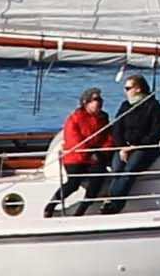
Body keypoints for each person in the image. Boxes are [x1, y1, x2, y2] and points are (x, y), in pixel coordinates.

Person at [90, 72, 160, 214]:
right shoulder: (125, 106)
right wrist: (123, 147)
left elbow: (156, 133)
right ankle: (114, 200)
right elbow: (116, 128)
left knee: (130, 170)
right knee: (117, 168)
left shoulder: (153, 107)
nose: (126, 92)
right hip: (125, 146)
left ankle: (113, 201)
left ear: (138, 89)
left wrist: (135, 147)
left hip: (145, 148)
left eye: (128, 88)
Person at [42, 86, 111, 216]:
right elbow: (75, 141)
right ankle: (51, 204)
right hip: (76, 158)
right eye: (96, 99)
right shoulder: (75, 118)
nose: (100, 102)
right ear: (86, 102)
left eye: (101, 99)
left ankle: (82, 209)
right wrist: (90, 154)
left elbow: (108, 138)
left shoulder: (103, 118)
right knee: (73, 183)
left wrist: (102, 152)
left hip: (95, 157)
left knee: (98, 178)